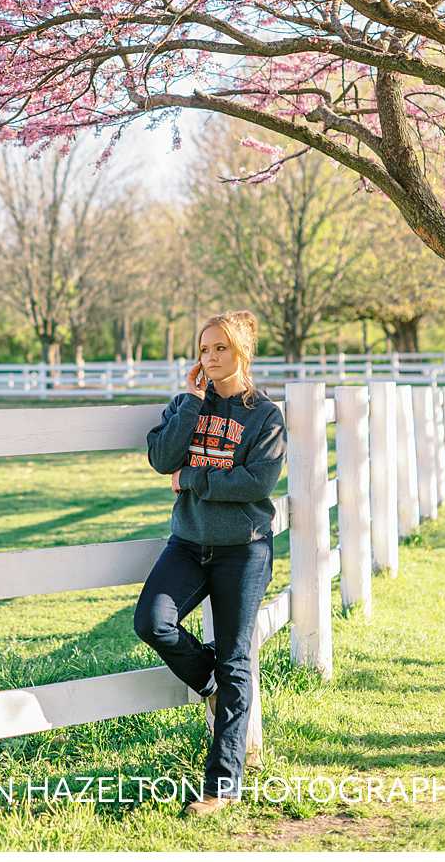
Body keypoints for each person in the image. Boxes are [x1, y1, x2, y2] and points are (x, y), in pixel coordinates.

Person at [134, 310, 285, 817]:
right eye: (204, 349)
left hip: (244, 548)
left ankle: (222, 788)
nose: (211, 358)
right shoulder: (188, 403)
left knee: (237, 656)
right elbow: (161, 458)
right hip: (189, 543)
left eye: (221, 348)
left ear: (242, 351)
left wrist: (193, 479)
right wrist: (194, 402)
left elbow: (256, 483)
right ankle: (212, 683)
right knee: (153, 623)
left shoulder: (265, 414)